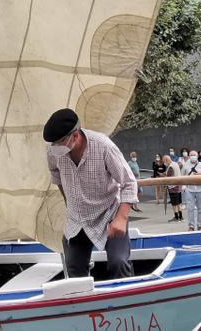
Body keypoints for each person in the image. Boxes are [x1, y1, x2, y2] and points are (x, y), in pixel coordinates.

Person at [44, 108, 137, 279]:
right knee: (74, 270)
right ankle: (81, 304)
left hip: (108, 214)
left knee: (119, 262)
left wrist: (121, 219)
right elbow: (56, 176)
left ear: (75, 136)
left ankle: (126, 301)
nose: (55, 148)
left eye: (59, 142)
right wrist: (69, 203)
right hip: (77, 218)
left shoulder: (104, 147)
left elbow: (129, 182)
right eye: (52, 144)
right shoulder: (54, 151)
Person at [182, 151, 201, 231]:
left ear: (197, 156)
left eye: (194, 155)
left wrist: (200, 176)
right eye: (191, 155)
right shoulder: (185, 165)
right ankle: (191, 226)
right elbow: (182, 176)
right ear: (189, 156)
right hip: (189, 189)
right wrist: (184, 186)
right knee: (190, 209)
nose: (192, 156)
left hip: (200, 189)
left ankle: (200, 225)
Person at [164, 155, 184, 222]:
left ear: (166, 160)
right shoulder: (175, 163)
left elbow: (169, 177)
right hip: (179, 185)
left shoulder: (171, 166)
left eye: (164, 161)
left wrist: (164, 177)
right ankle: (181, 217)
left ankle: (176, 217)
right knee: (179, 202)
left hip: (173, 187)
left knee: (174, 203)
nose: (164, 162)